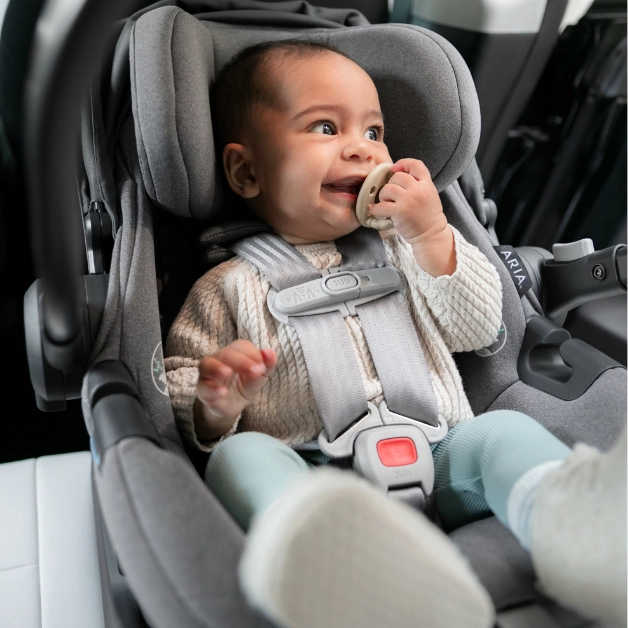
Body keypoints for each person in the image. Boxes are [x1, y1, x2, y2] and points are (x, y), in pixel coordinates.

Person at [165, 40, 626, 628]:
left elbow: (479, 330)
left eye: (376, 132)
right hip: (308, 469)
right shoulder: (225, 285)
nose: (362, 147)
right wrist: (215, 403)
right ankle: (337, 569)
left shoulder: (405, 247)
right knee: (238, 456)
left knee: (505, 432)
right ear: (247, 170)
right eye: (326, 127)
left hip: (443, 452)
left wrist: (432, 235)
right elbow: (180, 377)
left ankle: (576, 530)